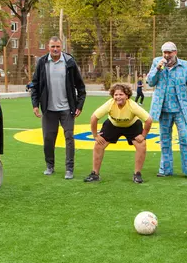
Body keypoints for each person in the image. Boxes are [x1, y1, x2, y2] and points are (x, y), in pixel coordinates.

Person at [147, 41, 187, 178]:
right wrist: (157, 68)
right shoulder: (157, 62)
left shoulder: (185, 66)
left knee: (185, 138)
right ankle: (165, 169)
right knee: (165, 139)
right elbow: (150, 82)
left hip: (180, 109)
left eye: (169, 52)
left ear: (175, 52)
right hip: (163, 109)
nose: (167, 55)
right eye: (164, 52)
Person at [31, 36, 87, 179]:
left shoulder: (69, 62)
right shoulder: (42, 62)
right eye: (52, 47)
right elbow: (35, 84)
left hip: (67, 109)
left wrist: (79, 105)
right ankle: (50, 166)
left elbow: (80, 86)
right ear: (48, 47)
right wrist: (35, 104)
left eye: (57, 46)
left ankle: (69, 169)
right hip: (48, 109)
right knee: (48, 139)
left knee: (69, 137)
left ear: (61, 47)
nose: (55, 49)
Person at [84, 84, 152, 184]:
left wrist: (143, 135)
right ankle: (95, 174)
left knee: (142, 145)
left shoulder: (132, 105)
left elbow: (148, 120)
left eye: (121, 94)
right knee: (98, 145)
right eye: (116, 95)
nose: (118, 97)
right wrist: (95, 135)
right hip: (113, 124)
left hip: (131, 124)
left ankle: (137, 174)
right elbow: (94, 118)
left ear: (127, 96)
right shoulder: (110, 104)